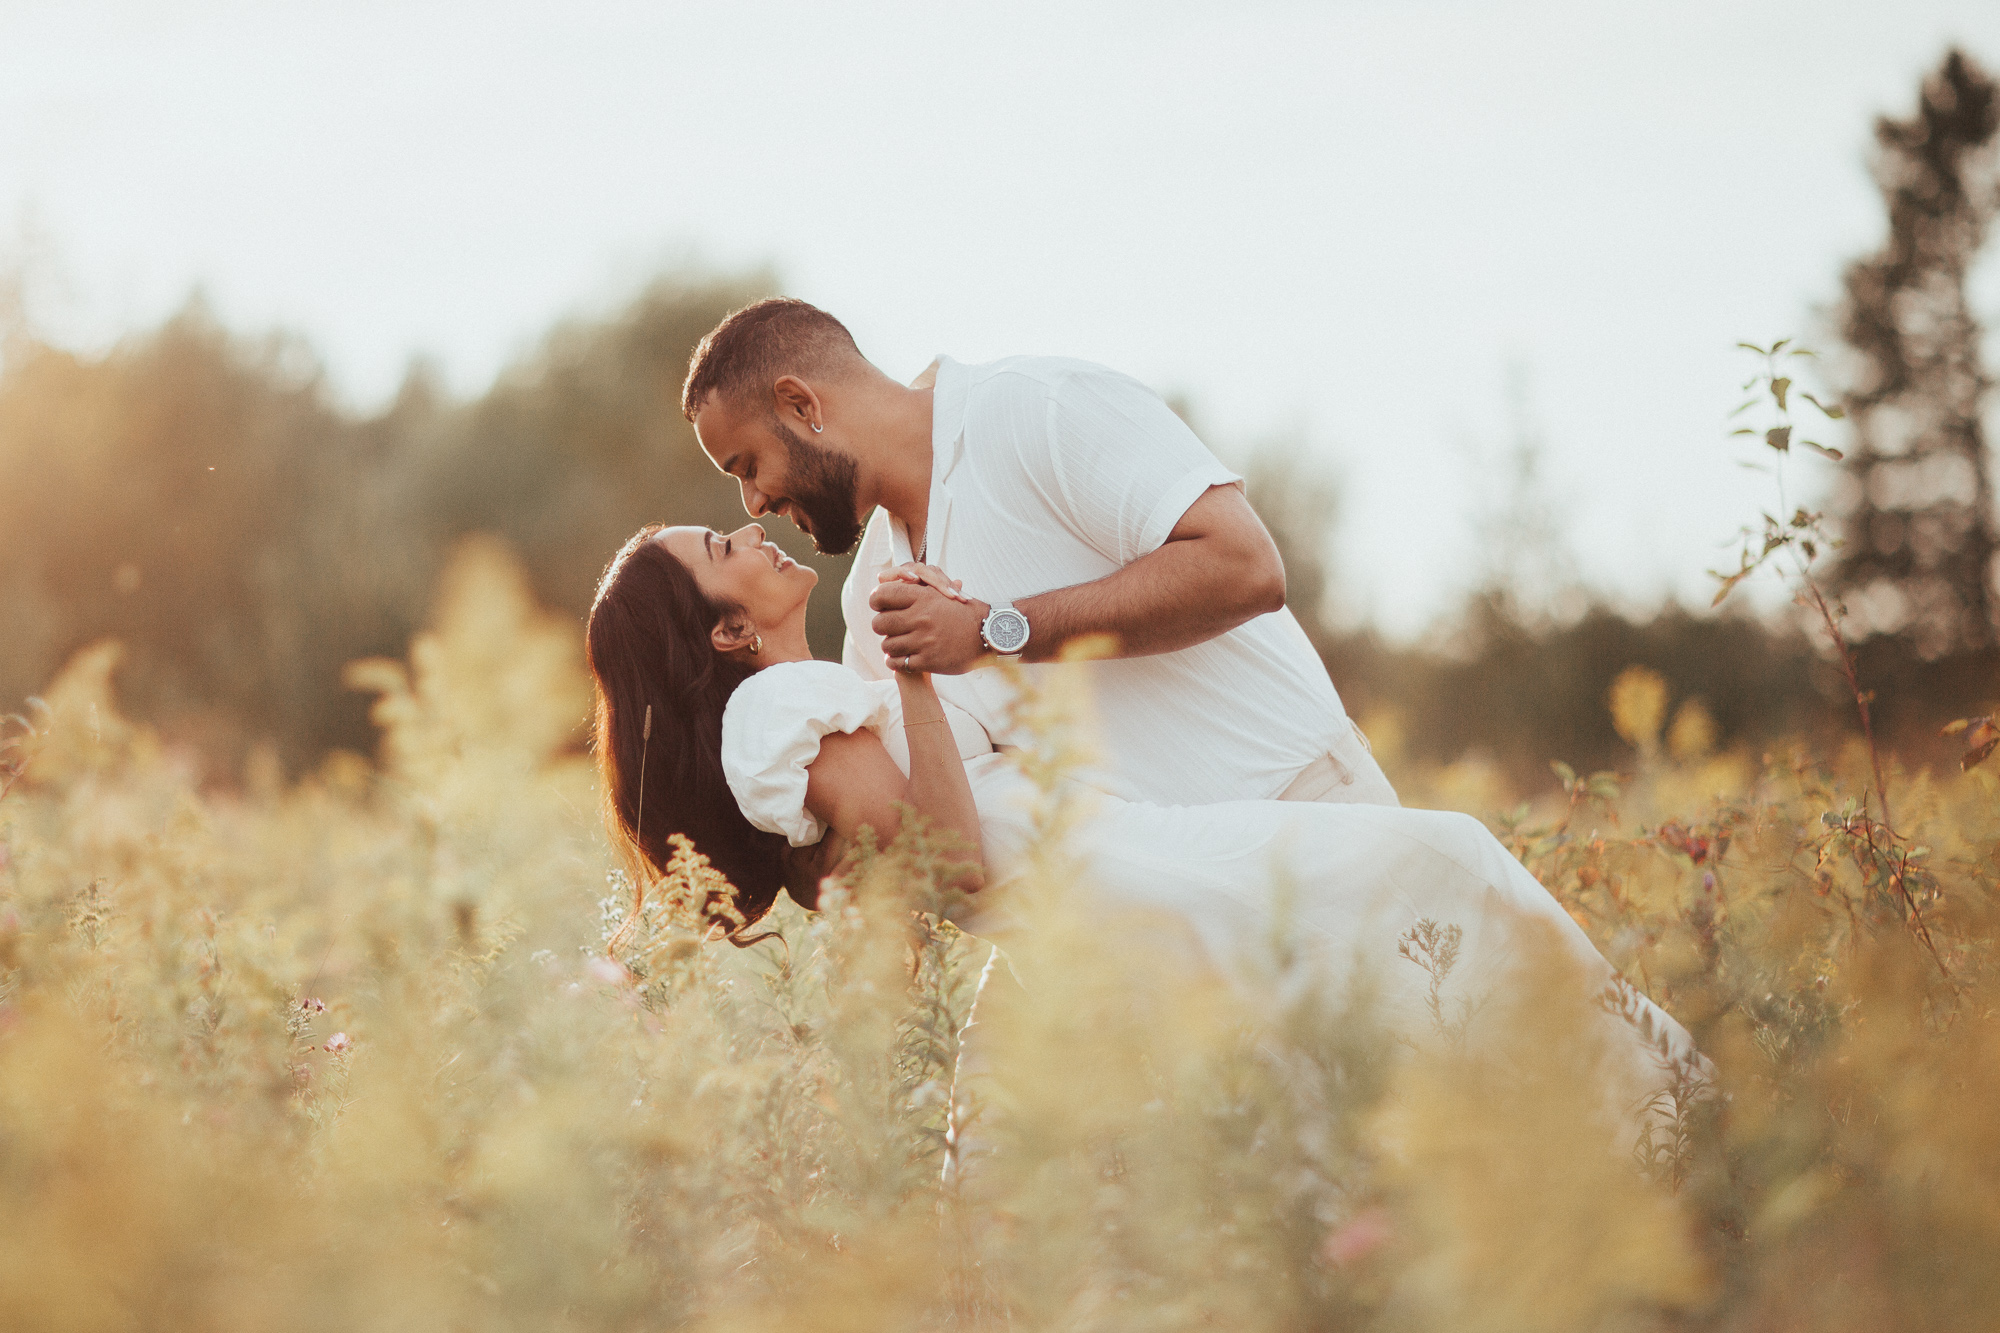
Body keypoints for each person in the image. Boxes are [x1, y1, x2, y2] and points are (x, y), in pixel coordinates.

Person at [584, 522, 1708, 1125]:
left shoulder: (801, 708)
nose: (751, 530)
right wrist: (919, 666)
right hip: (1101, 875)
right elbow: (952, 856)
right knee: (1436, 862)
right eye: (721, 553)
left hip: (1096, 883)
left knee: (1371, 991)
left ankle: (1634, 1134)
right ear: (726, 636)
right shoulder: (779, 712)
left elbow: (902, 881)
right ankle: (1670, 1122)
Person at [680, 298, 1395, 808]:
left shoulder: (1039, 409)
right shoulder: (871, 602)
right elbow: (956, 816)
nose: (754, 505)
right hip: (1174, 936)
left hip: (1314, 809)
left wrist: (994, 630)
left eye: (747, 465)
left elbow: (1246, 567)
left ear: (802, 405)